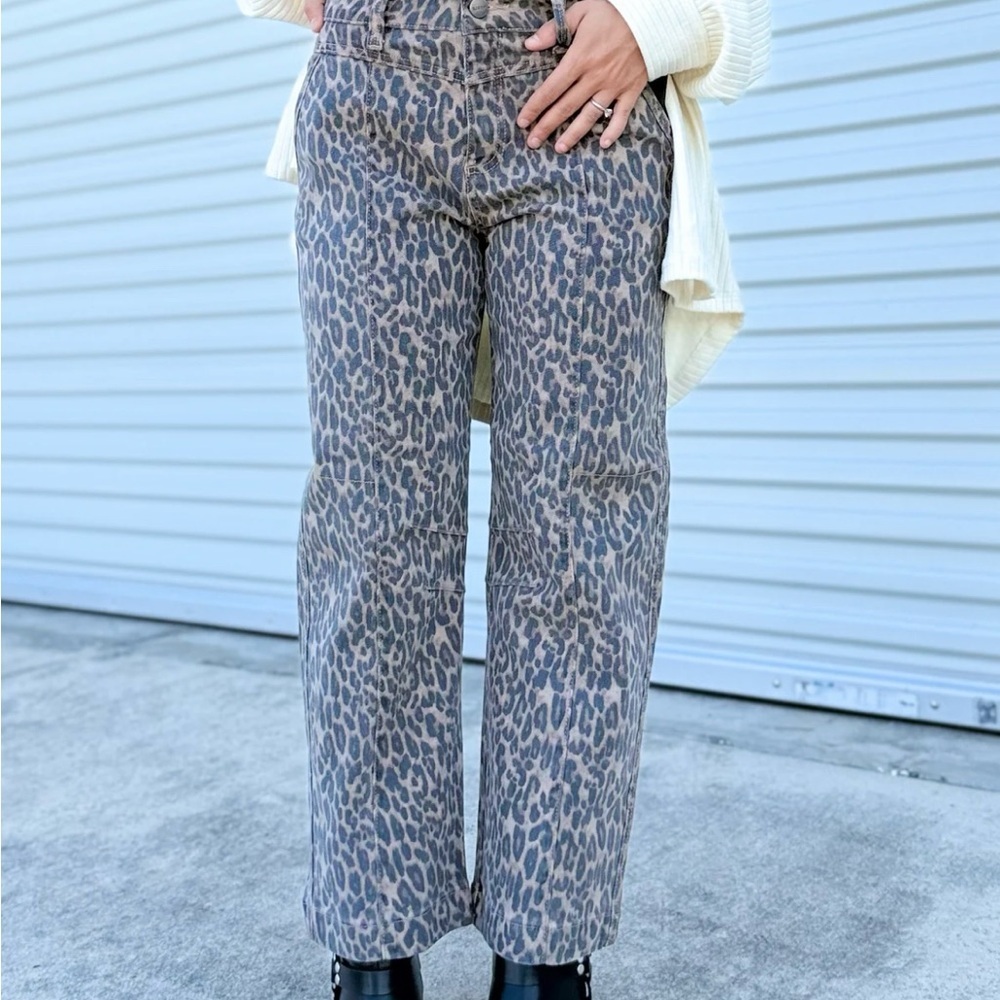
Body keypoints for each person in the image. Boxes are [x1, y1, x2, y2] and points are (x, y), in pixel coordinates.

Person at [236, 1, 771, 997]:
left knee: (579, 544)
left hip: (583, 103)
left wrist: (656, 27)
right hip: (375, 99)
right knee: (371, 536)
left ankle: (543, 955)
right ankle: (371, 946)